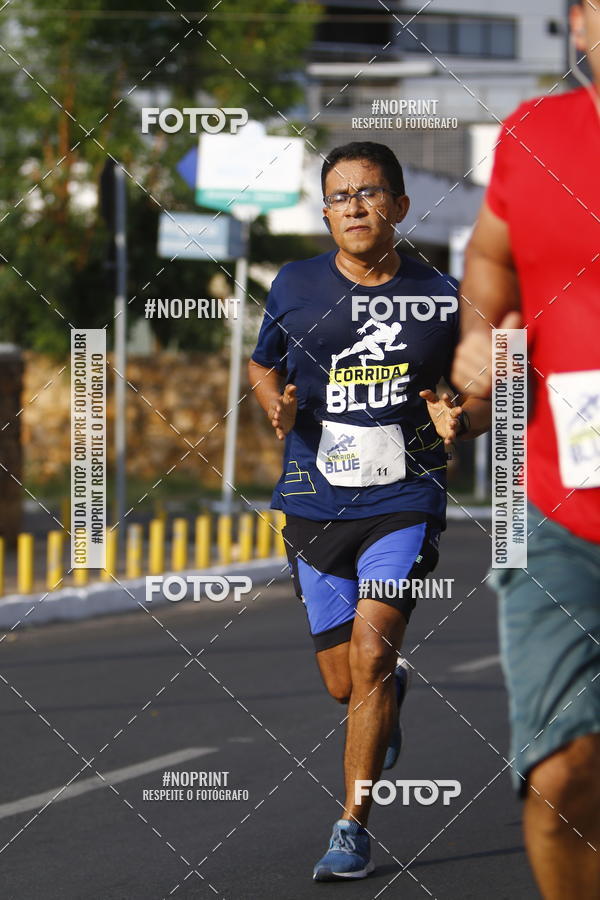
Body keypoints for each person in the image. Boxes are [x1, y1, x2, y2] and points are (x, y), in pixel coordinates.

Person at [248, 140, 491, 881]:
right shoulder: (293, 285)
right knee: (342, 681)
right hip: (313, 505)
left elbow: (487, 392)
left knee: (374, 652)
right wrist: (275, 407)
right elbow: (263, 362)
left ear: (401, 206)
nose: (354, 206)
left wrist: (464, 418)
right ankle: (384, 698)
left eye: (369, 193)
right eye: (340, 197)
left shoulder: (442, 297)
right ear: (326, 214)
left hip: (403, 500)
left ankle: (352, 827)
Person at [451, 3, 600, 897]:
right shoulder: (536, 134)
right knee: (561, 773)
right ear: (580, 22)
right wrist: (485, 338)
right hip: (548, 498)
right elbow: (490, 264)